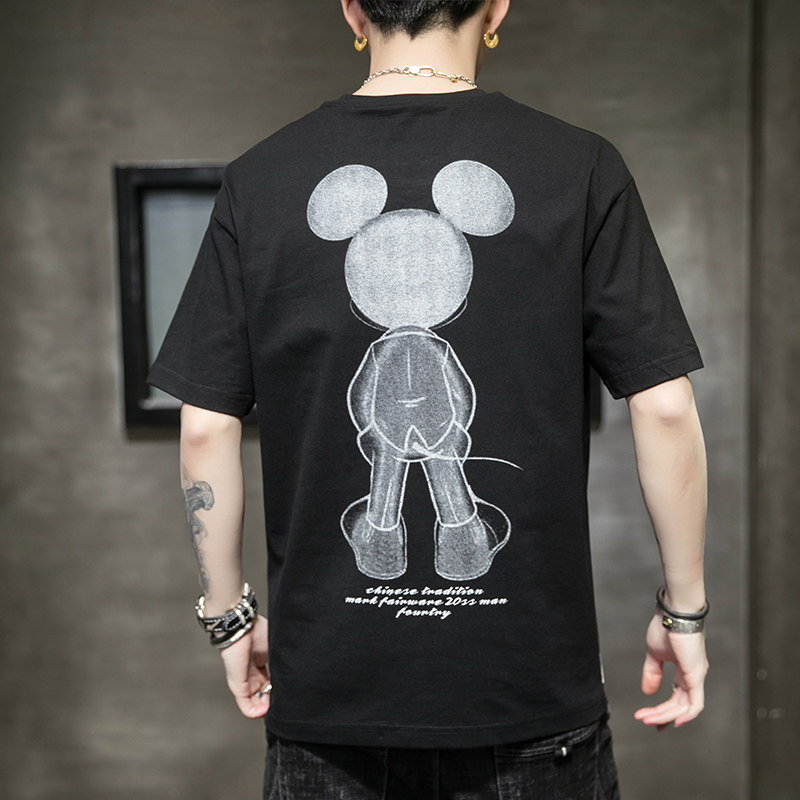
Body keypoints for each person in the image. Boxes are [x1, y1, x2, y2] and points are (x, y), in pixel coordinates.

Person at [149, 0, 709, 796]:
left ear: (352, 9)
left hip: (330, 712)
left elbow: (206, 426)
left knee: (386, 483)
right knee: (448, 479)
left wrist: (228, 615)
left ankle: (381, 537)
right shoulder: (579, 167)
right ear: (497, 5)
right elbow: (663, 406)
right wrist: (683, 611)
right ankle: (461, 537)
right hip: (528, 700)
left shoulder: (262, 179)